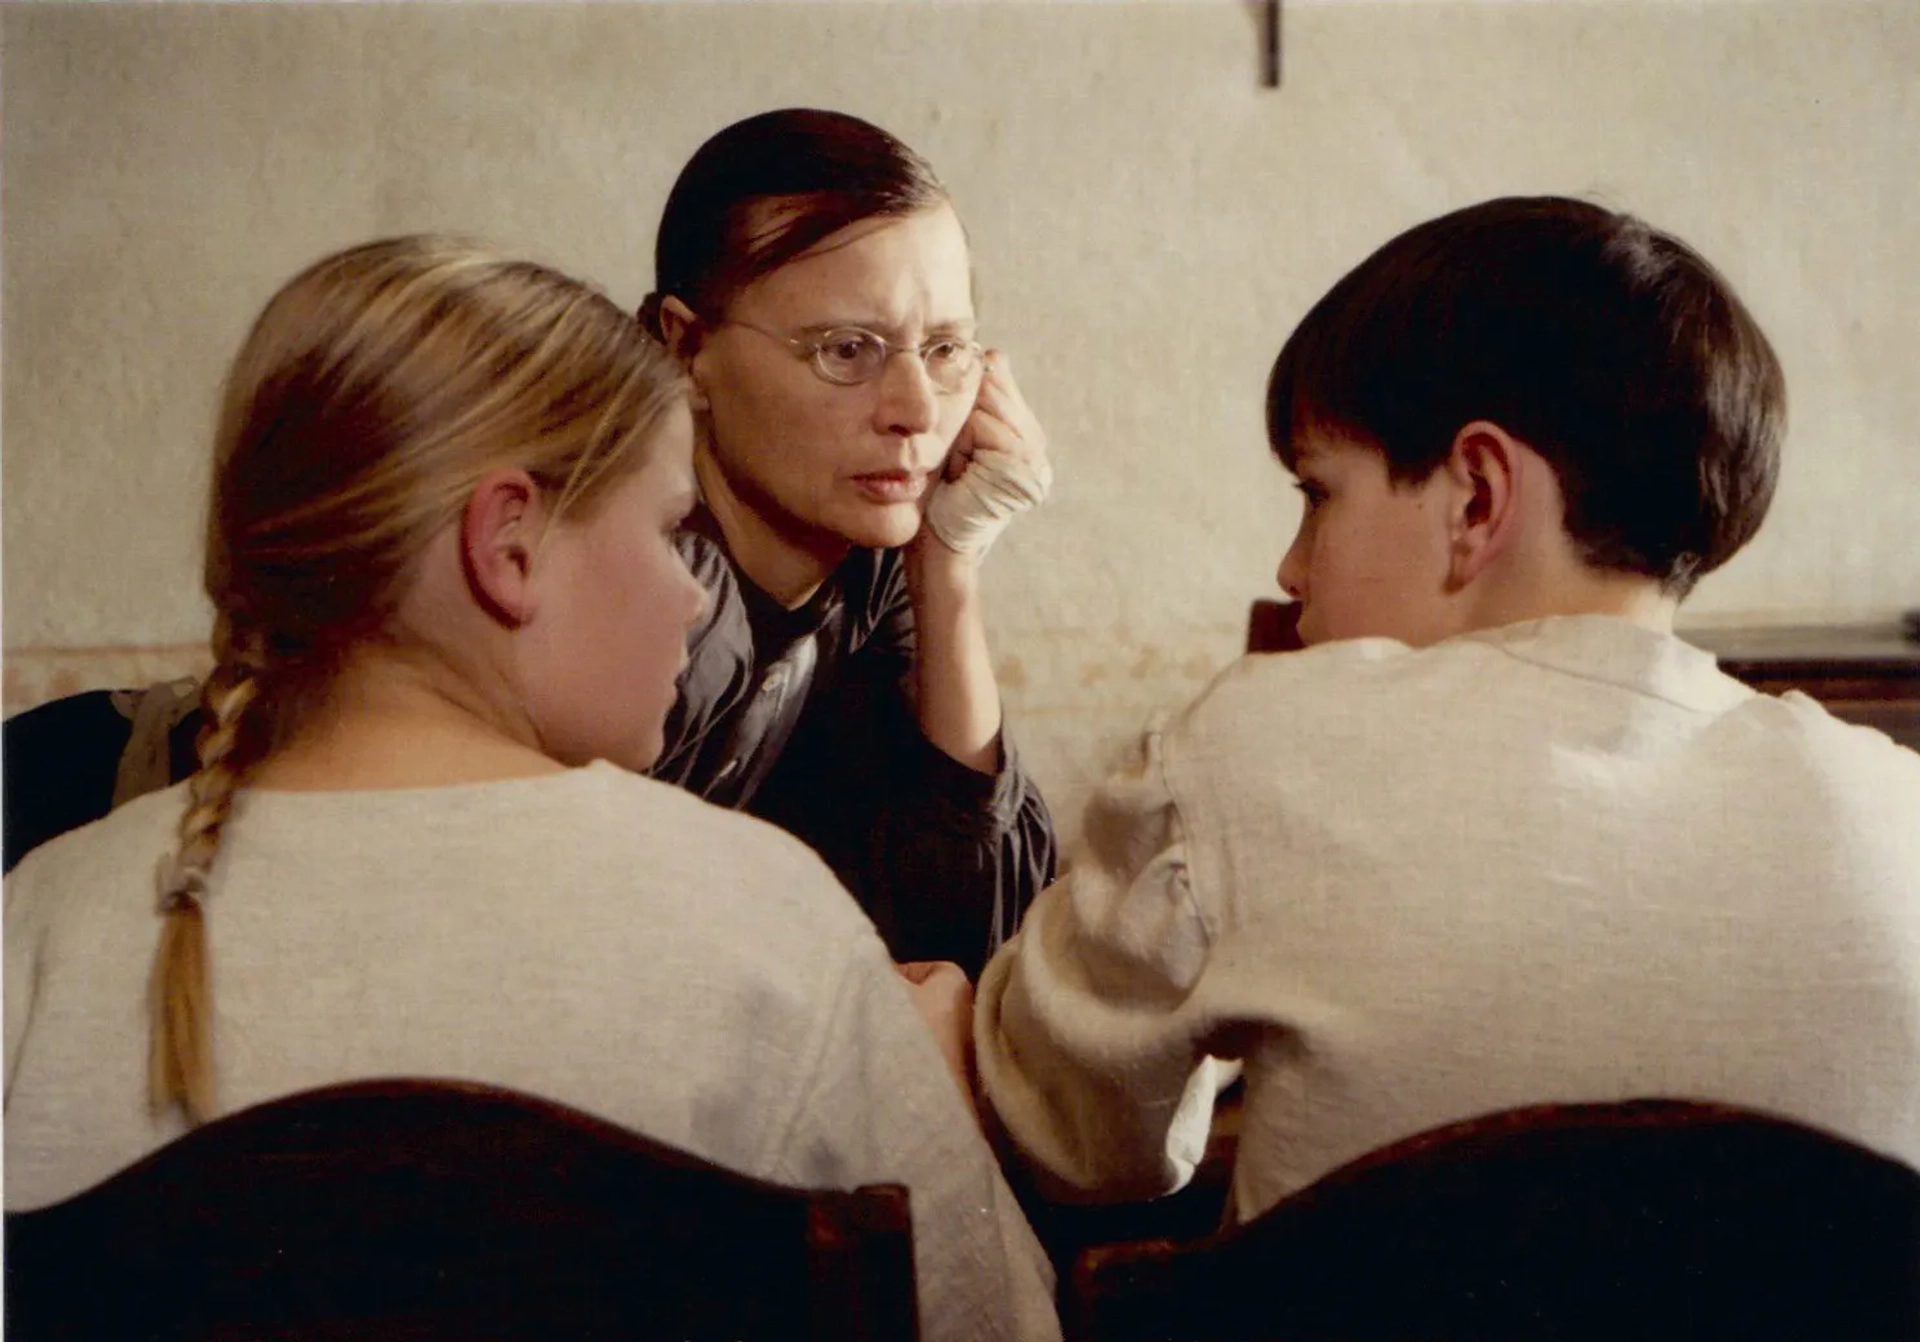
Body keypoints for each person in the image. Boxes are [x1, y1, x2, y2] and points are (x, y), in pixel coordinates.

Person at [3, 236, 1060, 1341]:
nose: (694, 601)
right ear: (507, 545)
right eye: (669, 530)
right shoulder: (765, 929)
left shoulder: (40, 925)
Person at [972, 196, 1920, 1224]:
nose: (1291, 568)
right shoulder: (1895, 810)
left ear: (1475, 497)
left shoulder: (1262, 743)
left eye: (1316, 491)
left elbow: (1069, 1136)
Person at [636, 108, 1058, 977]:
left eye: (945, 348)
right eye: (847, 350)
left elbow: (981, 932)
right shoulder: (642, 585)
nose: (914, 410)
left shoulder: (864, 571)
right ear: (686, 348)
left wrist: (948, 564)